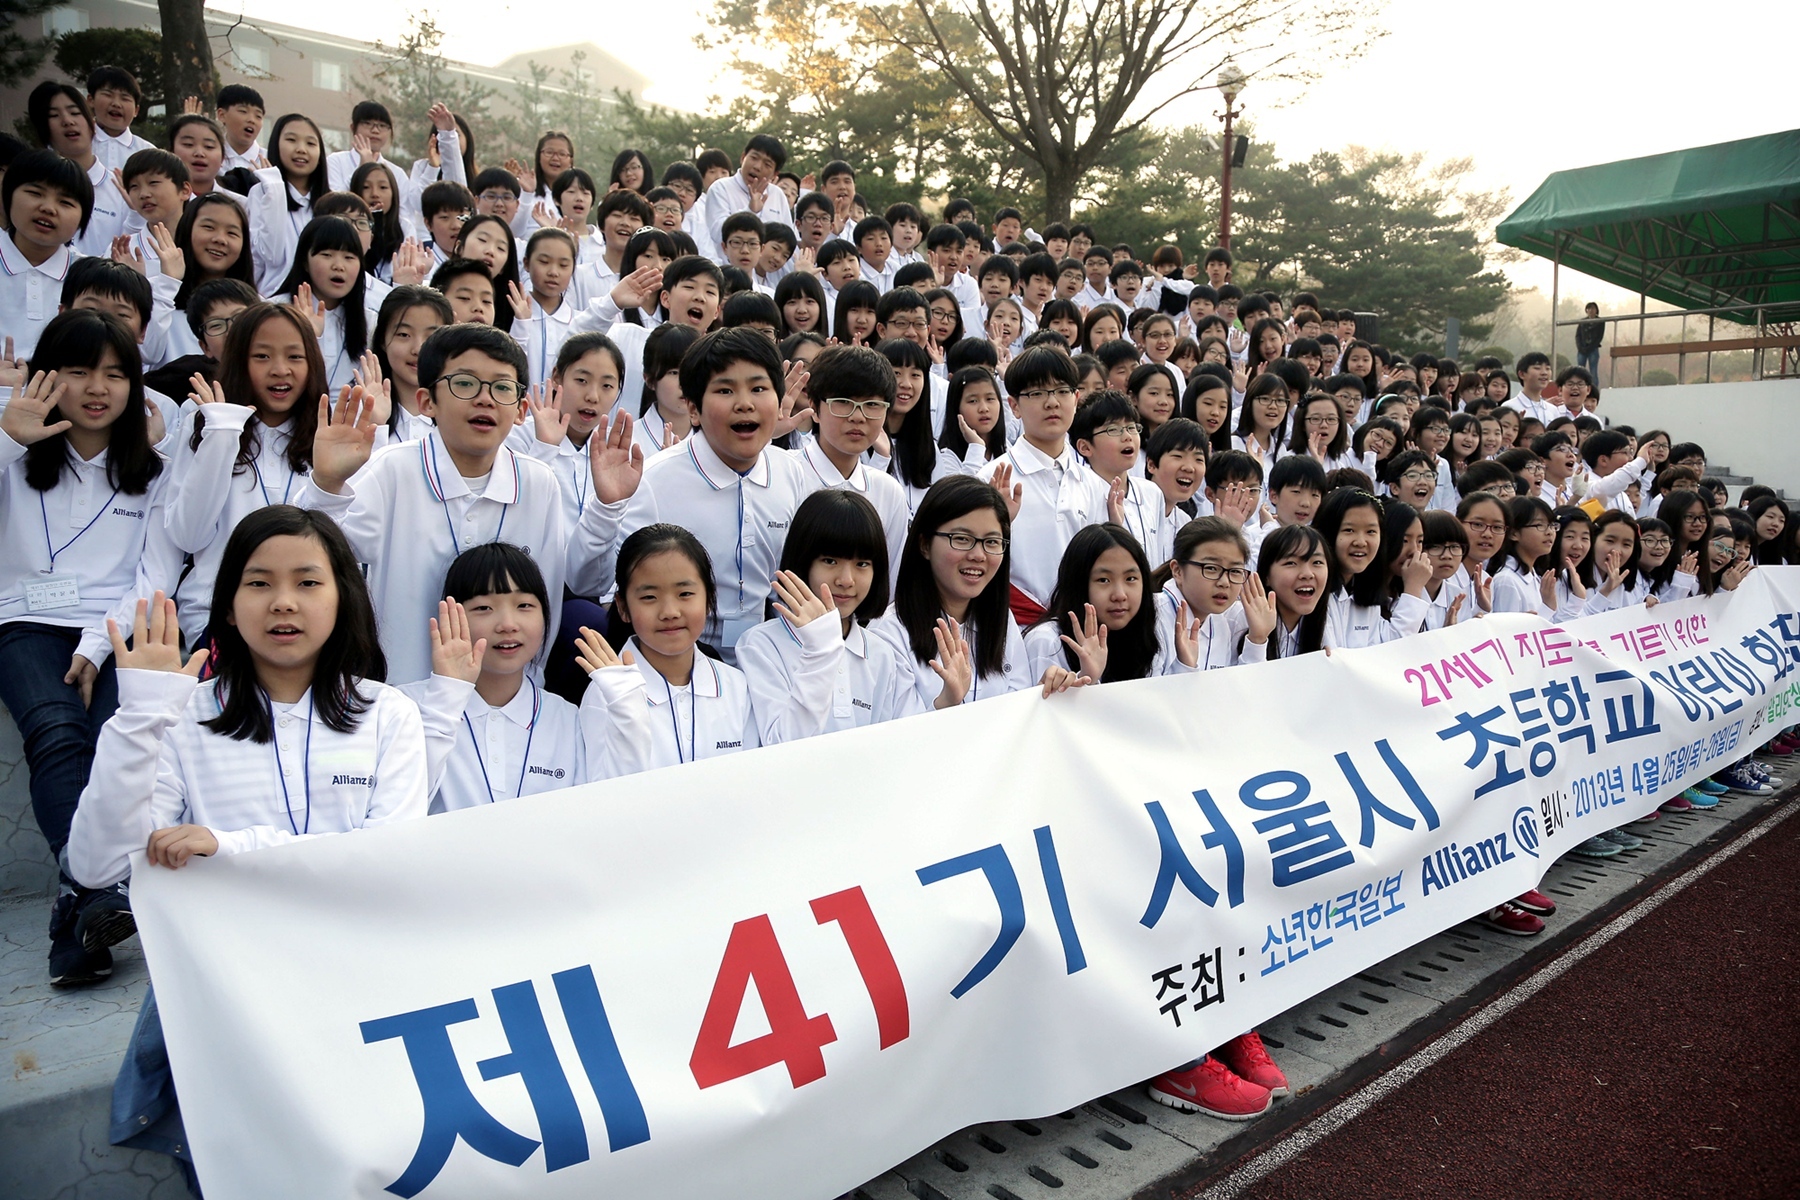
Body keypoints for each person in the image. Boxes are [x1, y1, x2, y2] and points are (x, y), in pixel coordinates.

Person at [64, 508, 430, 1177]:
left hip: (359, 983)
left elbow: (384, 861)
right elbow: (94, 863)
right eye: (258, 583)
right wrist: (141, 710)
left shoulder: (389, 714)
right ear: (228, 606)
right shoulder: (179, 715)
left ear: (343, 596)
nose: (283, 602)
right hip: (227, 996)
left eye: (307, 582)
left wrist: (229, 848)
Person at [0, 311, 169, 986]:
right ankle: (95, 891)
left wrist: (99, 646)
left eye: (115, 373)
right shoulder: (15, 451)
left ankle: (79, 908)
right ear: (49, 377)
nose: (97, 388)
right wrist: (5, 442)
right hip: (23, 623)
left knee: (117, 743)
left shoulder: (153, 470)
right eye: (77, 371)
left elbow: (152, 573)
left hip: (115, 629)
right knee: (55, 731)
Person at [295, 323, 583, 684]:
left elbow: (547, 597)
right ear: (426, 401)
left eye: (502, 387)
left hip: (499, 694)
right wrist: (327, 483)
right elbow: (324, 550)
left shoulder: (539, 483)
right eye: (464, 383)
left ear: (522, 408)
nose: (485, 398)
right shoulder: (393, 469)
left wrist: (531, 676)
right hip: (406, 686)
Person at [571, 327, 812, 663]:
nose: (745, 404)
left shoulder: (792, 473)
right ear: (693, 409)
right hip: (676, 661)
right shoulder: (655, 480)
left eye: (759, 388)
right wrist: (607, 507)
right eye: (725, 390)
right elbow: (585, 582)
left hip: (767, 655)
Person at [400, 543, 646, 811]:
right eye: (483, 608)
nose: (508, 624)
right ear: (451, 616)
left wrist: (627, 711)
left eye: (524, 605)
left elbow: (609, 808)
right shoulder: (408, 707)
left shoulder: (566, 718)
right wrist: (446, 698)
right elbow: (401, 802)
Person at [870, 474, 1084, 713]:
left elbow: (1015, 710)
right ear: (924, 545)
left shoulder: (1001, 621)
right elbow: (895, 736)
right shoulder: (889, 632)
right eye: (962, 539)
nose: (978, 555)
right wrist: (946, 703)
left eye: (992, 542)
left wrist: (1047, 691)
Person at [571, 523, 760, 768]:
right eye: (649, 597)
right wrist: (626, 709)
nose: (670, 612)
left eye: (685, 594)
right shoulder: (606, 694)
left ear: (709, 598)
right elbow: (607, 792)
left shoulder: (737, 687)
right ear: (623, 607)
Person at [735, 489, 902, 742]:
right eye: (830, 561)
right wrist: (821, 650)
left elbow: (886, 742)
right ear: (803, 560)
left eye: (862, 564)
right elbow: (780, 743)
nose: (846, 580)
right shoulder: (761, 646)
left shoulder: (880, 654)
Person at [977, 347, 1111, 625]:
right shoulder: (990, 479)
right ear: (1014, 406)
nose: (1052, 402)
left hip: (1079, 628)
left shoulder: (1095, 486)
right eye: (1037, 393)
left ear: (1076, 399)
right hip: (1010, 627)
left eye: (1062, 391)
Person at [0, 149, 93, 359]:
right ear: (8, 196)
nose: (48, 208)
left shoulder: (89, 276)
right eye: (35, 193)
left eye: (65, 203)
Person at [1575, 302, 1604, 377]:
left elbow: (1599, 337)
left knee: (1593, 371)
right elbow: (1578, 335)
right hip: (1582, 349)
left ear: (1596, 310)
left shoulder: (1600, 321)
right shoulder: (1582, 321)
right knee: (1580, 371)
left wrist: (1591, 347)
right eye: (1589, 308)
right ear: (1586, 310)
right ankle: (1580, 386)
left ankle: (1594, 387)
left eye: (1593, 308)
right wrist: (1580, 347)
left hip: (1593, 349)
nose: (1591, 310)